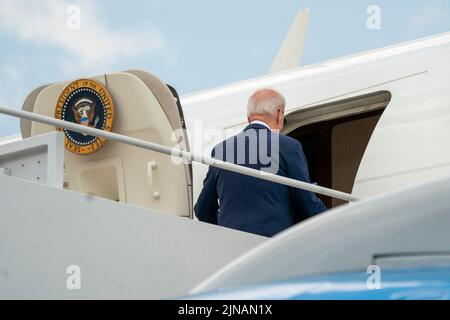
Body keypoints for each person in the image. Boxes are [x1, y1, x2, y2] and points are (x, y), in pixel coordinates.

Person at [194, 89, 327, 237]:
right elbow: (308, 205)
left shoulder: (221, 150)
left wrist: (226, 230)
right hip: (271, 246)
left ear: (249, 117)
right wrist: (338, 222)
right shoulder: (289, 147)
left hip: (231, 246)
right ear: (279, 114)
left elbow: (202, 209)